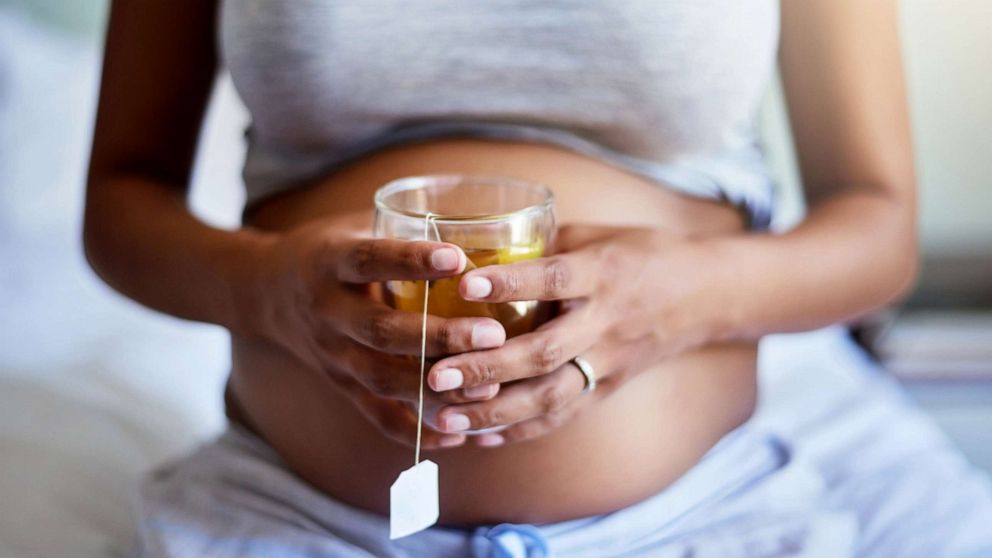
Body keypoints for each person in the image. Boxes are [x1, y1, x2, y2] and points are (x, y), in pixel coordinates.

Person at [84, 1, 992, 556]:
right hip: (291, 518)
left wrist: (674, 299)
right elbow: (122, 201)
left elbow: (877, 228)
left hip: (710, 515)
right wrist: (267, 292)